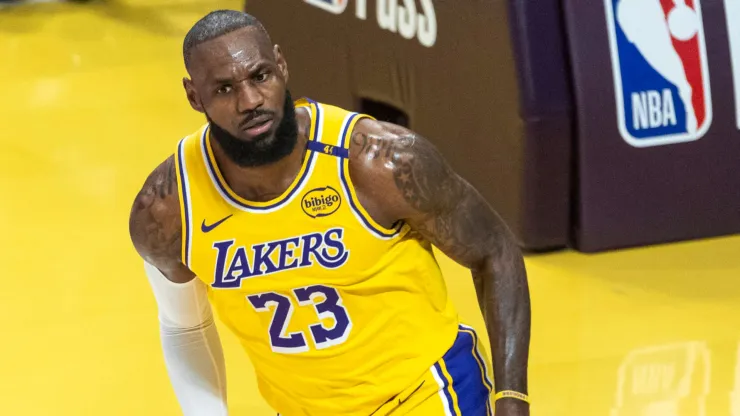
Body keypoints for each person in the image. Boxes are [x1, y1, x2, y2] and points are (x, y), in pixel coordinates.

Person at [128, 9, 531, 416]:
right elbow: (185, 327)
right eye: (224, 89)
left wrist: (511, 398)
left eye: (261, 76)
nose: (250, 101)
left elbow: (493, 250)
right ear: (194, 96)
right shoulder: (167, 209)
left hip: (423, 394)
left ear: (281, 65)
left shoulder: (377, 163)